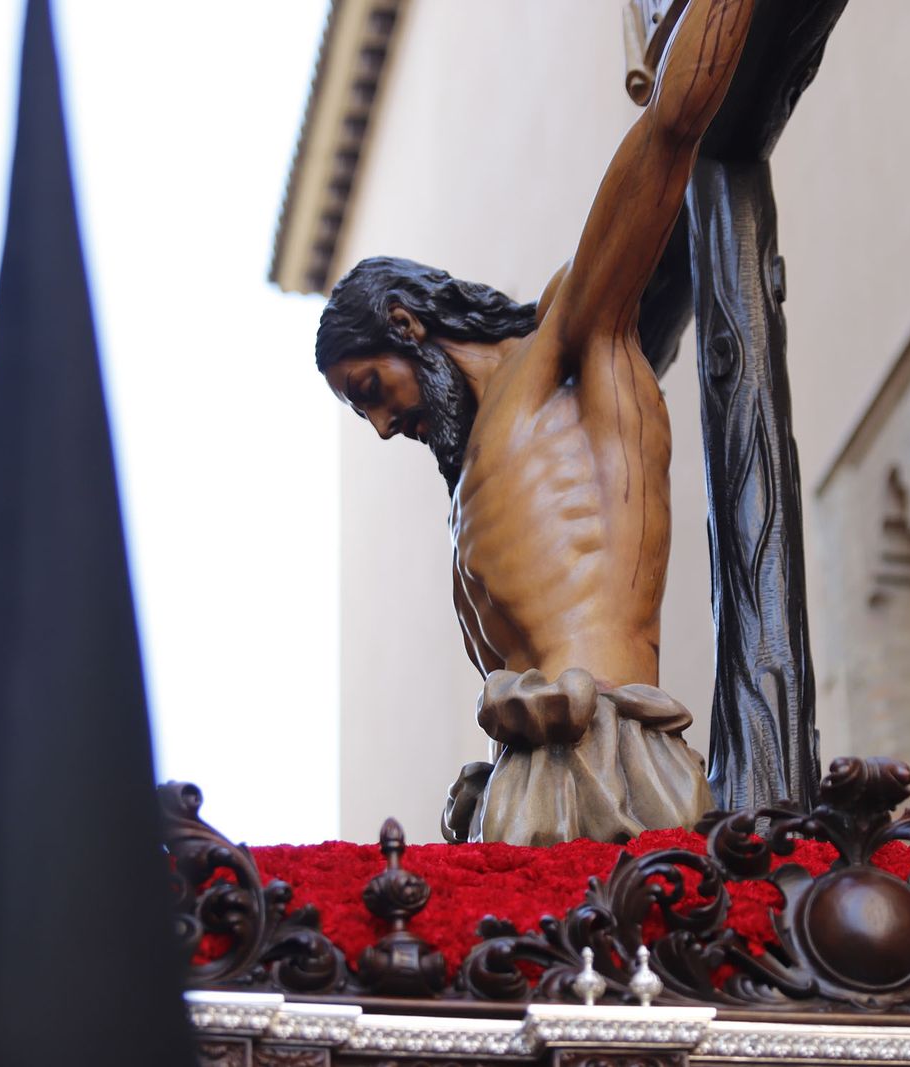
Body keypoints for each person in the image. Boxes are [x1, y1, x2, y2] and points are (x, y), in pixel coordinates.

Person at [314, 0, 755, 845]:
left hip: (618, 765)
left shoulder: (573, 344)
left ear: (407, 325)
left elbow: (671, 129)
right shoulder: (468, 491)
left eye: (371, 387)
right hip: (518, 798)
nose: (379, 425)